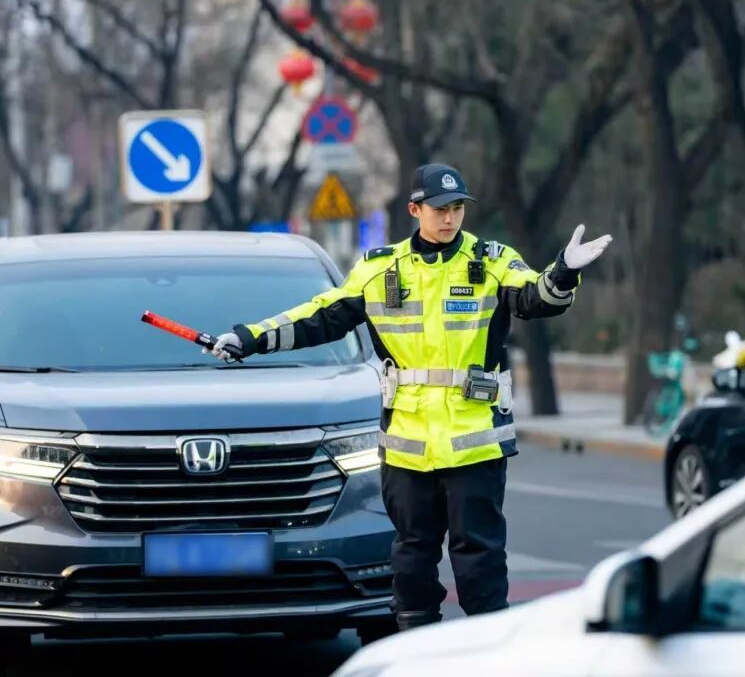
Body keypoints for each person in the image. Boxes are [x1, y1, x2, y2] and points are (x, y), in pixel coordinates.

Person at [206, 163, 612, 630]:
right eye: (439, 209)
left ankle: (489, 654)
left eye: (457, 207)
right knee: (411, 561)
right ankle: (415, 651)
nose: (450, 218)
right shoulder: (380, 269)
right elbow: (320, 317)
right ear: (415, 209)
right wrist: (250, 337)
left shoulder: (491, 259)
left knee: (479, 559)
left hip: (474, 440)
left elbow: (535, 298)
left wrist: (563, 272)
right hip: (407, 444)